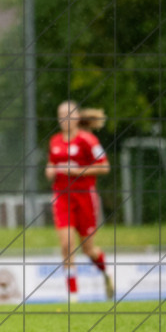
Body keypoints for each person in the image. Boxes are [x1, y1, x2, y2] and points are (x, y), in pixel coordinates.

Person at [46, 101, 114, 300]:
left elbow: (105, 167)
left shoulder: (88, 140)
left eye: (68, 114)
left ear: (76, 117)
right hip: (62, 197)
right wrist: (50, 170)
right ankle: (73, 296)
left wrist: (79, 171)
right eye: (61, 115)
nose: (65, 119)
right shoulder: (55, 141)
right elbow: (51, 163)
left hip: (84, 197)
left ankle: (106, 273)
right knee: (67, 244)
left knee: (88, 249)